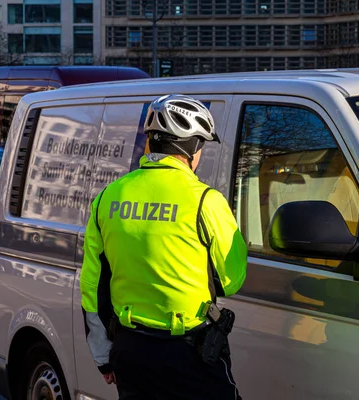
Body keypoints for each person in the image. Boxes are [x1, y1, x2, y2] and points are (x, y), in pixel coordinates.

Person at [80, 94, 248, 400]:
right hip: (190, 351)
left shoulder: (108, 198)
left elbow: (92, 287)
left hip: (130, 352)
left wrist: (103, 356)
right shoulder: (205, 200)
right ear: (192, 147)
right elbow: (231, 281)